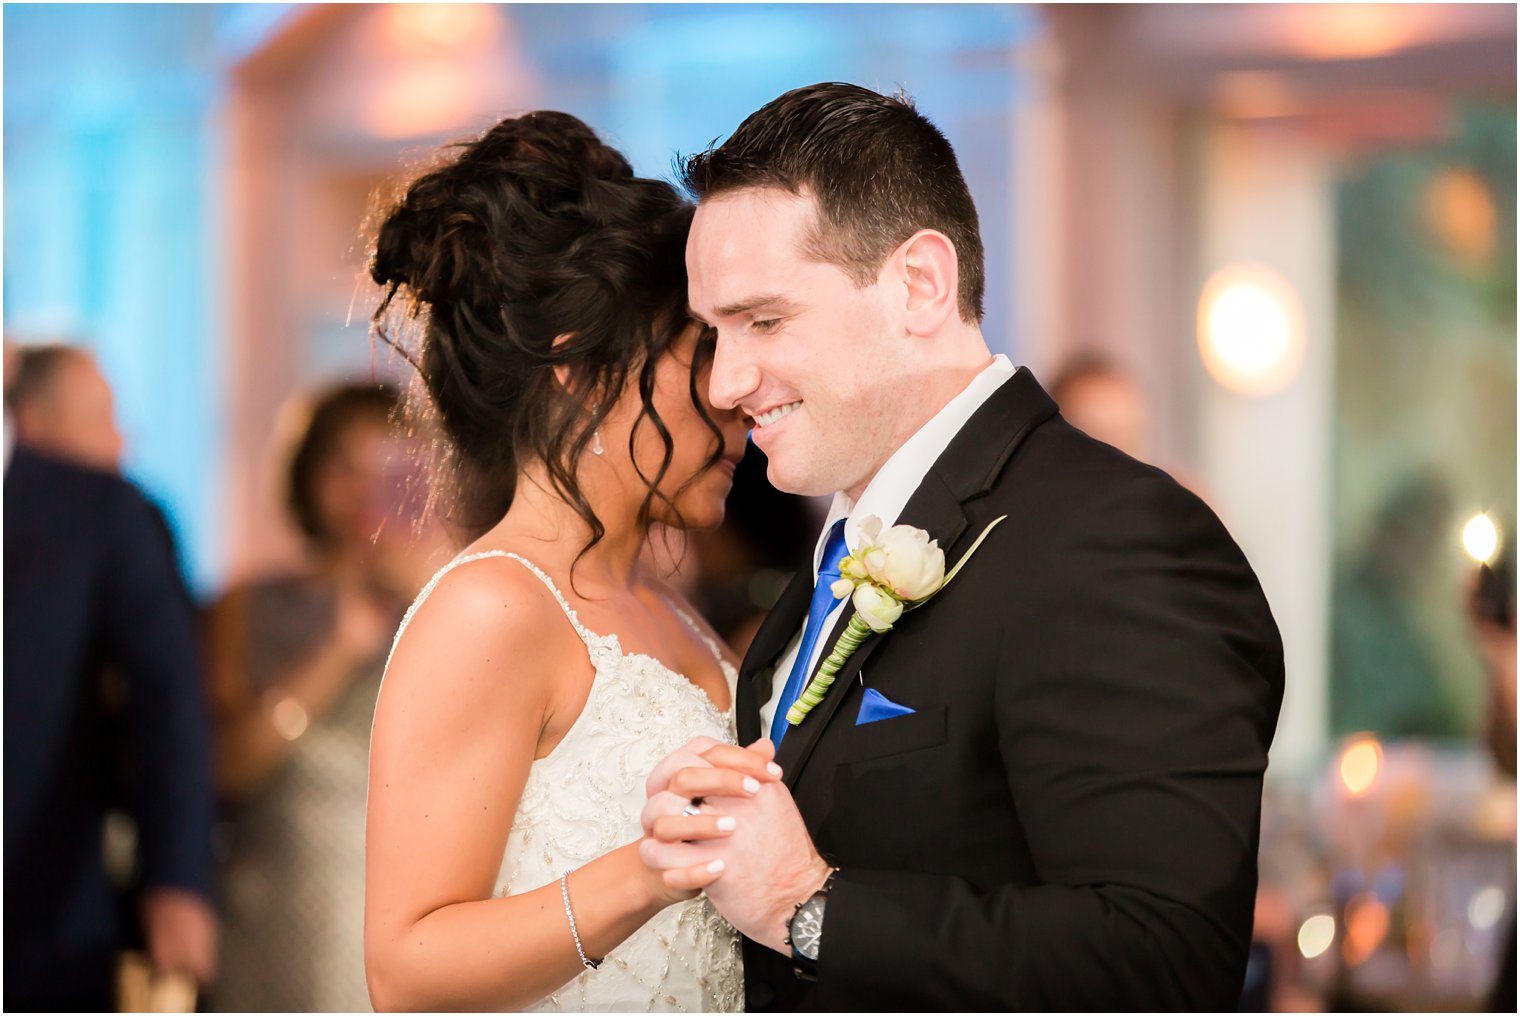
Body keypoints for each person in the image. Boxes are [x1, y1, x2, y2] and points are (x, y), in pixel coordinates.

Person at [639, 82, 1285, 1010]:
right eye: (715, 332)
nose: (727, 380)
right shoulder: (845, 539)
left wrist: (807, 908)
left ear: (919, 285)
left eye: (764, 321)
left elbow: (1167, 961)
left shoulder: (1110, 539)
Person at [363, 110, 758, 1012]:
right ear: (580, 368)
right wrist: (648, 872)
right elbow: (404, 966)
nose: (737, 392)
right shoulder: (492, 607)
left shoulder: (663, 600)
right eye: (701, 353)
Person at [207, 381, 442, 1011]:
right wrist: (339, 649)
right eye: (343, 464)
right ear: (307, 475)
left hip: (410, 918)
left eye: (387, 466)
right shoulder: (246, 606)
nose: (364, 488)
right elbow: (228, 769)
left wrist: (425, 581)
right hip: (277, 903)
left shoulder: (452, 600)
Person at [4, 340, 218, 1009]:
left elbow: (171, 701)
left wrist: (177, 877)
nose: (120, 436)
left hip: (43, 905)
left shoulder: (106, 511)